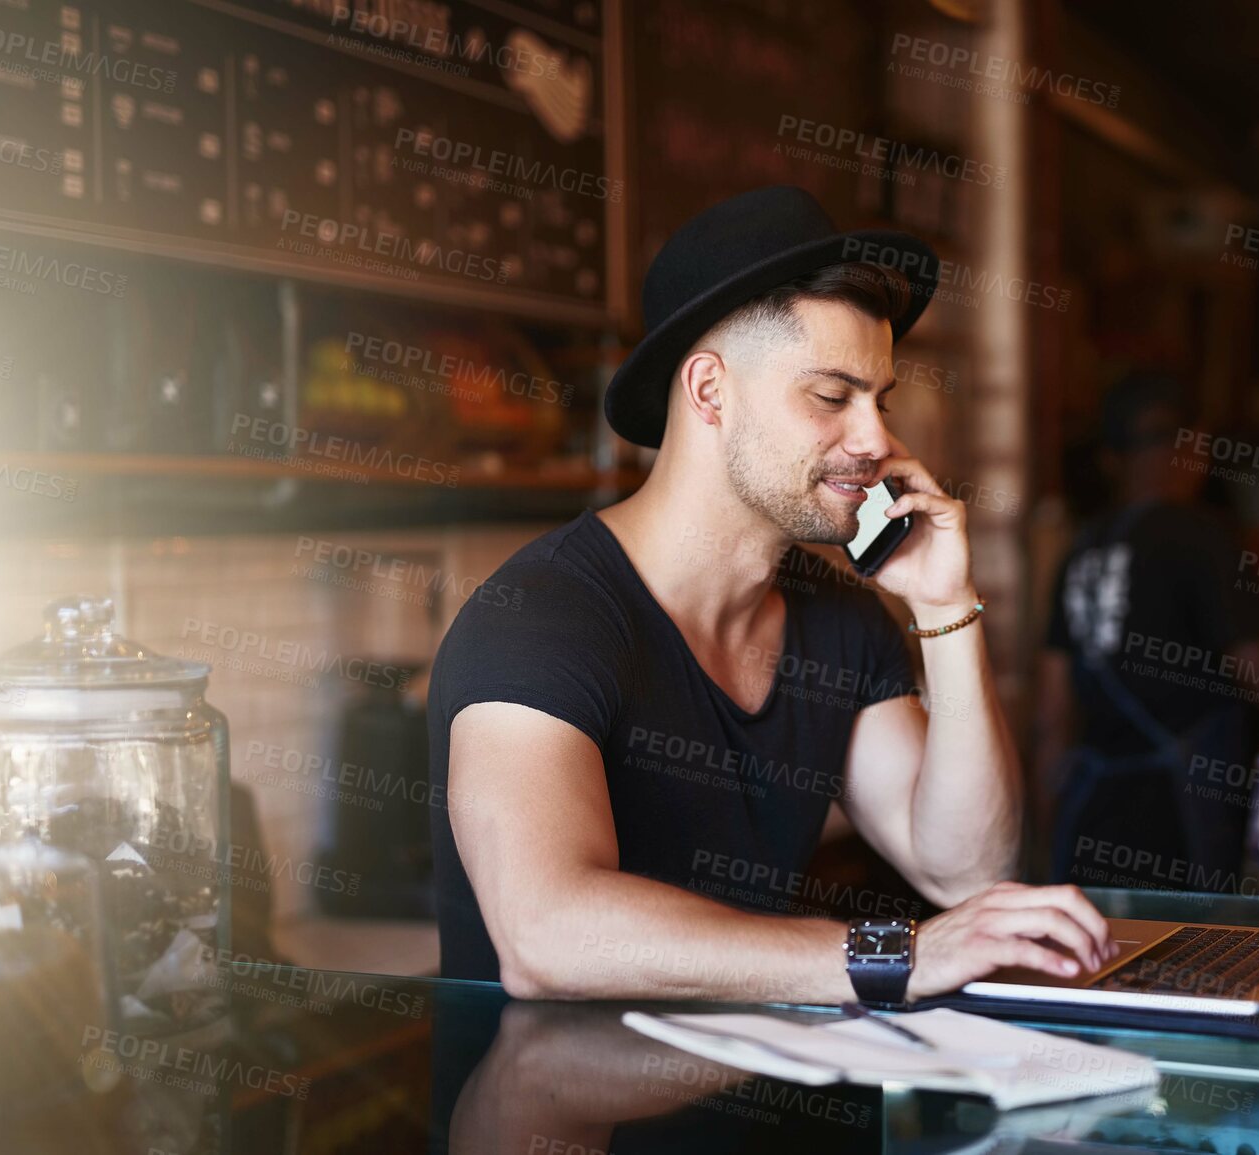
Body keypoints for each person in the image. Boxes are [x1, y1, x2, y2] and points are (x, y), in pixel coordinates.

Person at [427, 186, 1114, 1004]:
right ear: (711, 391)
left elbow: (967, 867)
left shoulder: (839, 622)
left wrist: (943, 607)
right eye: (832, 397)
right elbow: (545, 934)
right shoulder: (542, 617)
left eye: (879, 400)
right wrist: (889, 955)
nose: (877, 441)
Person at [1035, 373, 1259, 887]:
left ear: (1109, 458)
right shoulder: (1202, 537)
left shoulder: (1080, 549)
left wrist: (1037, 844)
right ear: (1198, 444)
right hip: (1182, 827)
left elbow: (1052, 717)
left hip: (1091, 822)